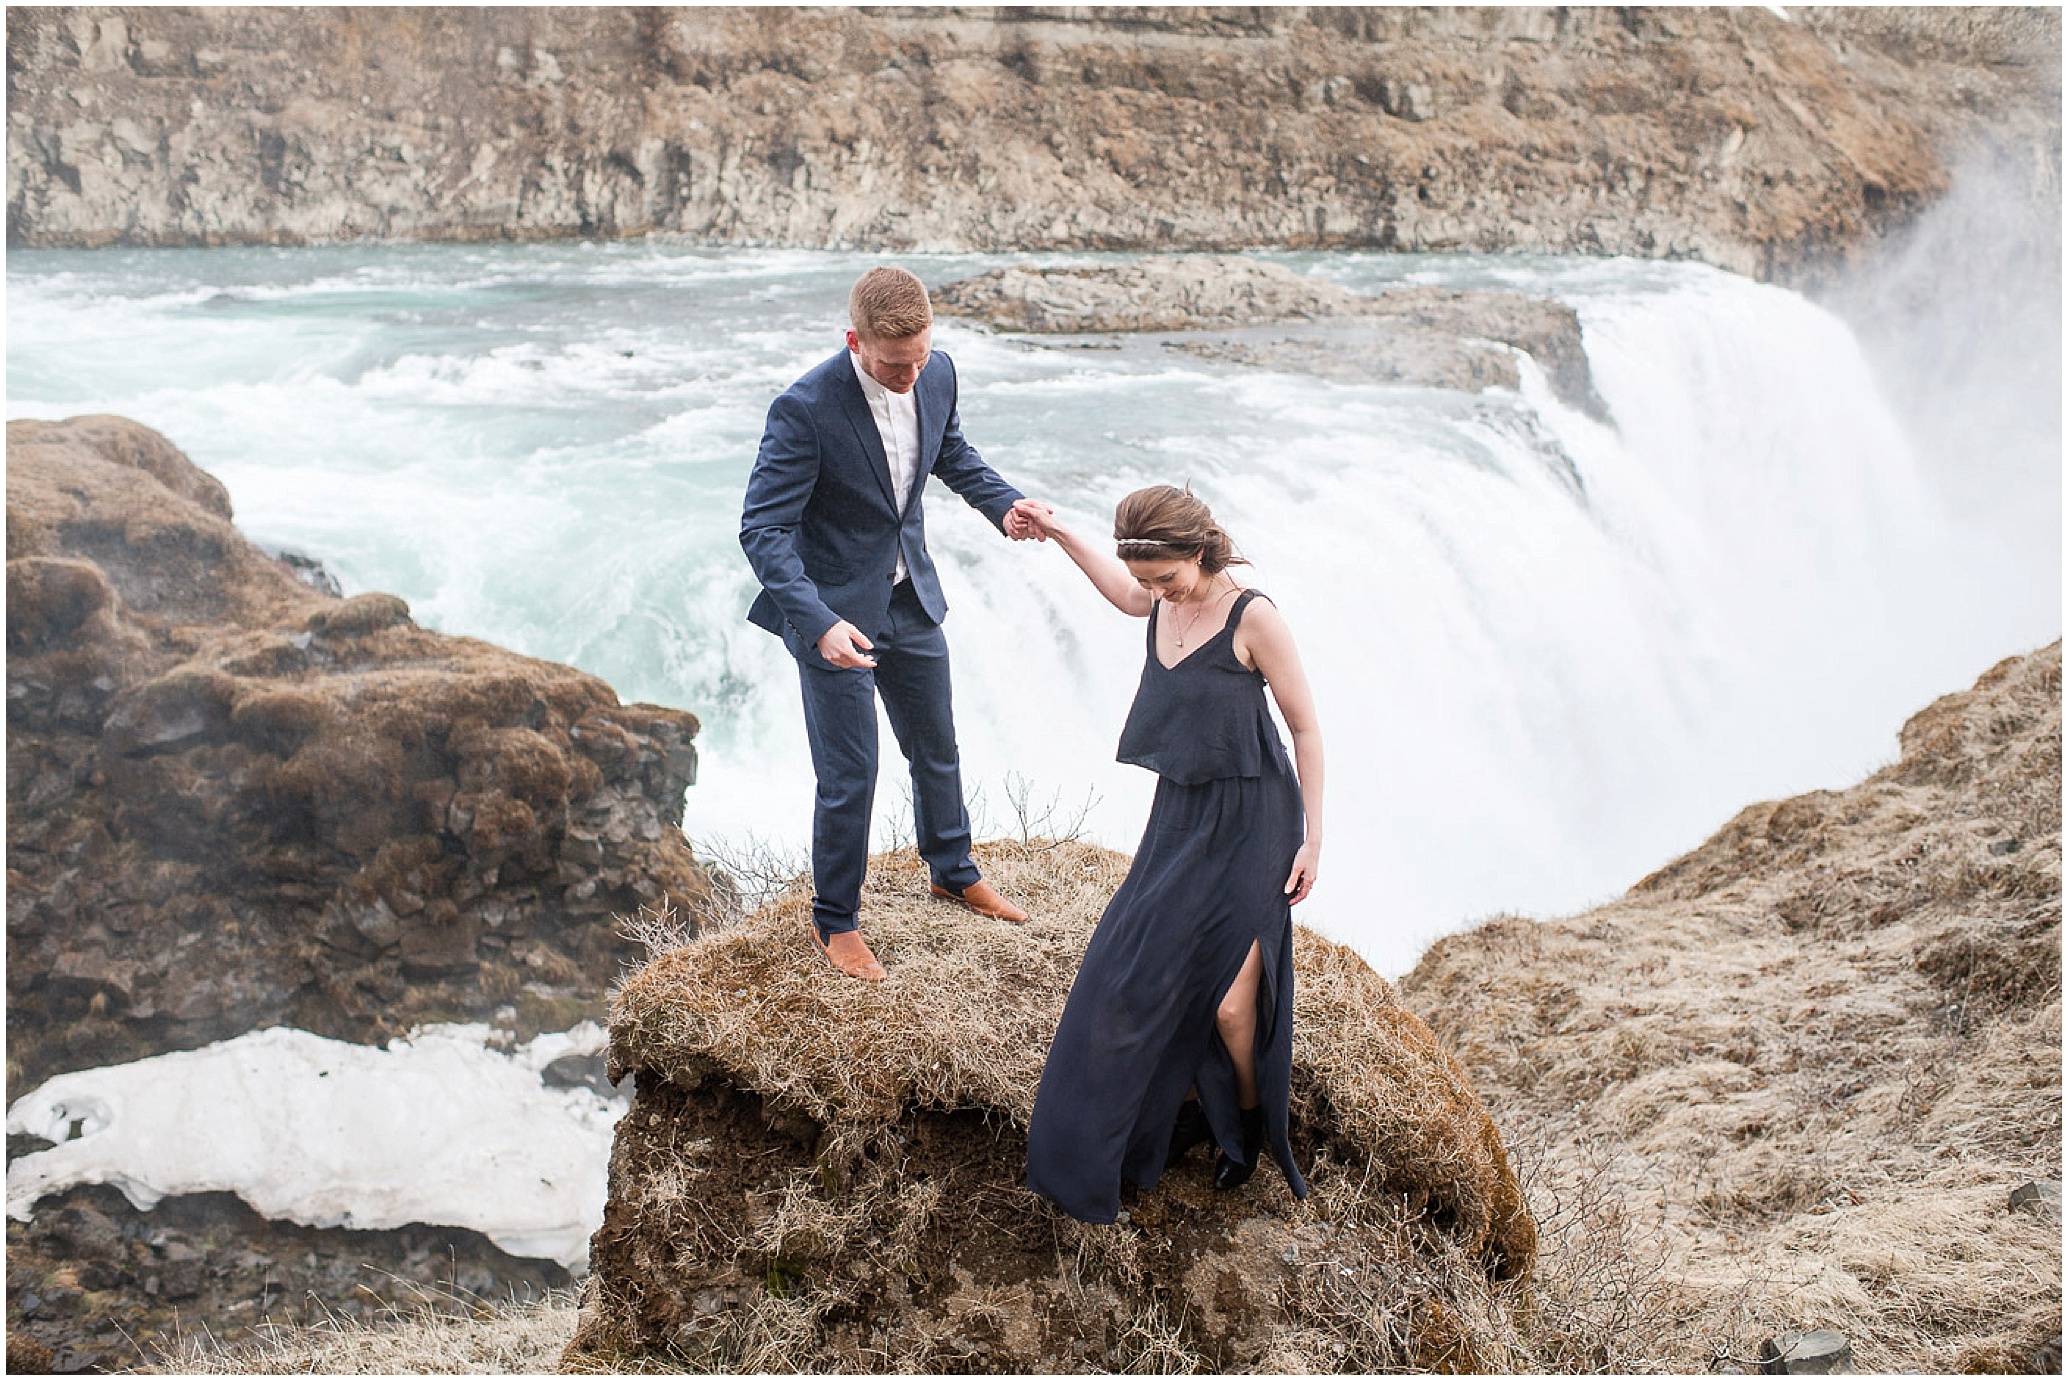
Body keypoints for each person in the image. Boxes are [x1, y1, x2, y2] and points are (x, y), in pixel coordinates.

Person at [1015, 485, 1322, 1221]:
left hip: (1255, 821)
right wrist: (1057, 531)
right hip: (1181, 818)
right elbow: (1121, 590)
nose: (1156, 593)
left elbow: (1306, 729)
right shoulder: (1157, 596)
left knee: (1229, 1002)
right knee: (1119, 971)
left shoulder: (1255, 618)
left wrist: (1314, 836)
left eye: (1168, 578)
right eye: (1148, 580)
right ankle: (1095, 1151)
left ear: (1201, 550)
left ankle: (1242, 1131)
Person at [740, 266, 1043, 982]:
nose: (909, 374)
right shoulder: (805, 407)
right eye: (892, 364)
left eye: (919, 358)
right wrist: (816, 622)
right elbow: (763, 529)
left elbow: (951, 453)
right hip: (835, 614)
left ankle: (953, 868)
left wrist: (1004, 505)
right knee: (851, 774)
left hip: (910, 597)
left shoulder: (936, 374)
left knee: (936, 744)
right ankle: (836, 920)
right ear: (855, 341)